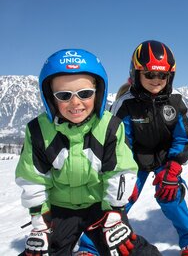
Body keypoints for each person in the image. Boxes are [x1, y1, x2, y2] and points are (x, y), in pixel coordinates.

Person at [15, 49, 161, 256]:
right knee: (42, 251)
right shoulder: (38, 131)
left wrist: (114, 212)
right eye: (64, 95)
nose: (75, 103)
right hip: (59, 209)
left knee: (125, 247)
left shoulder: (110, 127)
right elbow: (33, 178)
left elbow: (120, 171)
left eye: (85, 94)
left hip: (101, 205)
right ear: (50, 97)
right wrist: (40, 221)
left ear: (98, 93)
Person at [78, 40, 188, 256]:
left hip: (166, 159)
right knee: (117, 195)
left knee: (172, 192)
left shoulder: (176, 102)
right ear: (137, 72)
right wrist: (124, 173)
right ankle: (90, 246)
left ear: (170, 76)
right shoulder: (126, 103)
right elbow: (119, 141)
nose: (156, 80)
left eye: (162, 75)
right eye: (149, 74)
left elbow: (187, 137)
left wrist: (174, 167)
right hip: (134, 161)